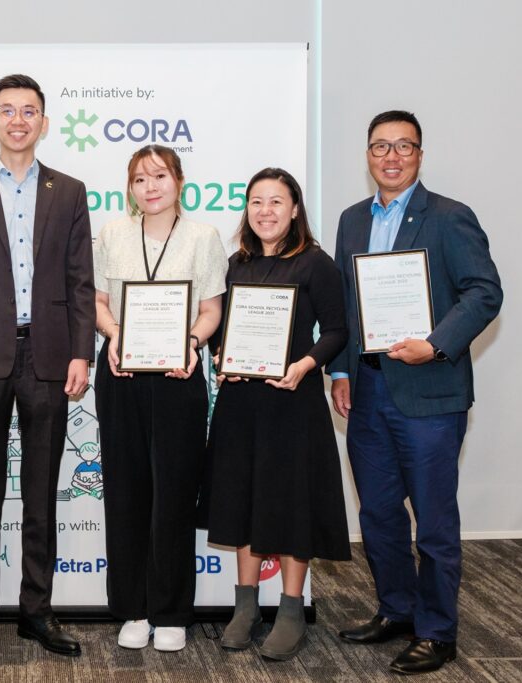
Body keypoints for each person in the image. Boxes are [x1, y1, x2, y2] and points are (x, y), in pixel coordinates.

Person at [329, 111, 502, 675]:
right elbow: (346, 308)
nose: (392, 156)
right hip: (369, 389)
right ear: (368, 155)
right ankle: (396, 610)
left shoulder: (450, 217)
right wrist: (341, 371)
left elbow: (484, 292)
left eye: (404, 146)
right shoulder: (352, 220)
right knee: (378, 514)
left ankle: (437, 631)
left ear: (420, 155)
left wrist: (436, 343)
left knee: (432, 519)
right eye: (381, 146)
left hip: (429, 390)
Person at [0, 74, 95, 659]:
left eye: (29, 110)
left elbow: (82, 281)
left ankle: (37, 611)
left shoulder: (70, 189)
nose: (18, 119)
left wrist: (82, 351)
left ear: (44, 122)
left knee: (39, 495)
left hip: (50, 356)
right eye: (7, 109)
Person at [199, 167, 351, 661]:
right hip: (242, 405)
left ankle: (289, 610)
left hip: (293, 402)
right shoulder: (234, 263)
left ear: (294, 210)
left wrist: (306, 365)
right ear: (247, 210)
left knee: (291, 502)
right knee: (242, 497)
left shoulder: (315, 264)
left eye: (276, 202)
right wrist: (221, 358)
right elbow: (219, 328)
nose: (266, 211)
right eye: (257, 202)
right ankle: (246, 608)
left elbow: (337, 330)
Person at [92, 145, 225, 652]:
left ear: (179, 181)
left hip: (178, 374)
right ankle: (133, 608)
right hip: (122, 374)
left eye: (160, 176)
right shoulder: (111, 234)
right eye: (140, 178)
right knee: (126, 492)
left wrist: (191, 342)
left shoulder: (203, 237)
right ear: (130, 187)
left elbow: (211, 309)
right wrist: (114, 334)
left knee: (174, 493)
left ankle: (171, 610)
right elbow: (98, 302)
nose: (150, 186)